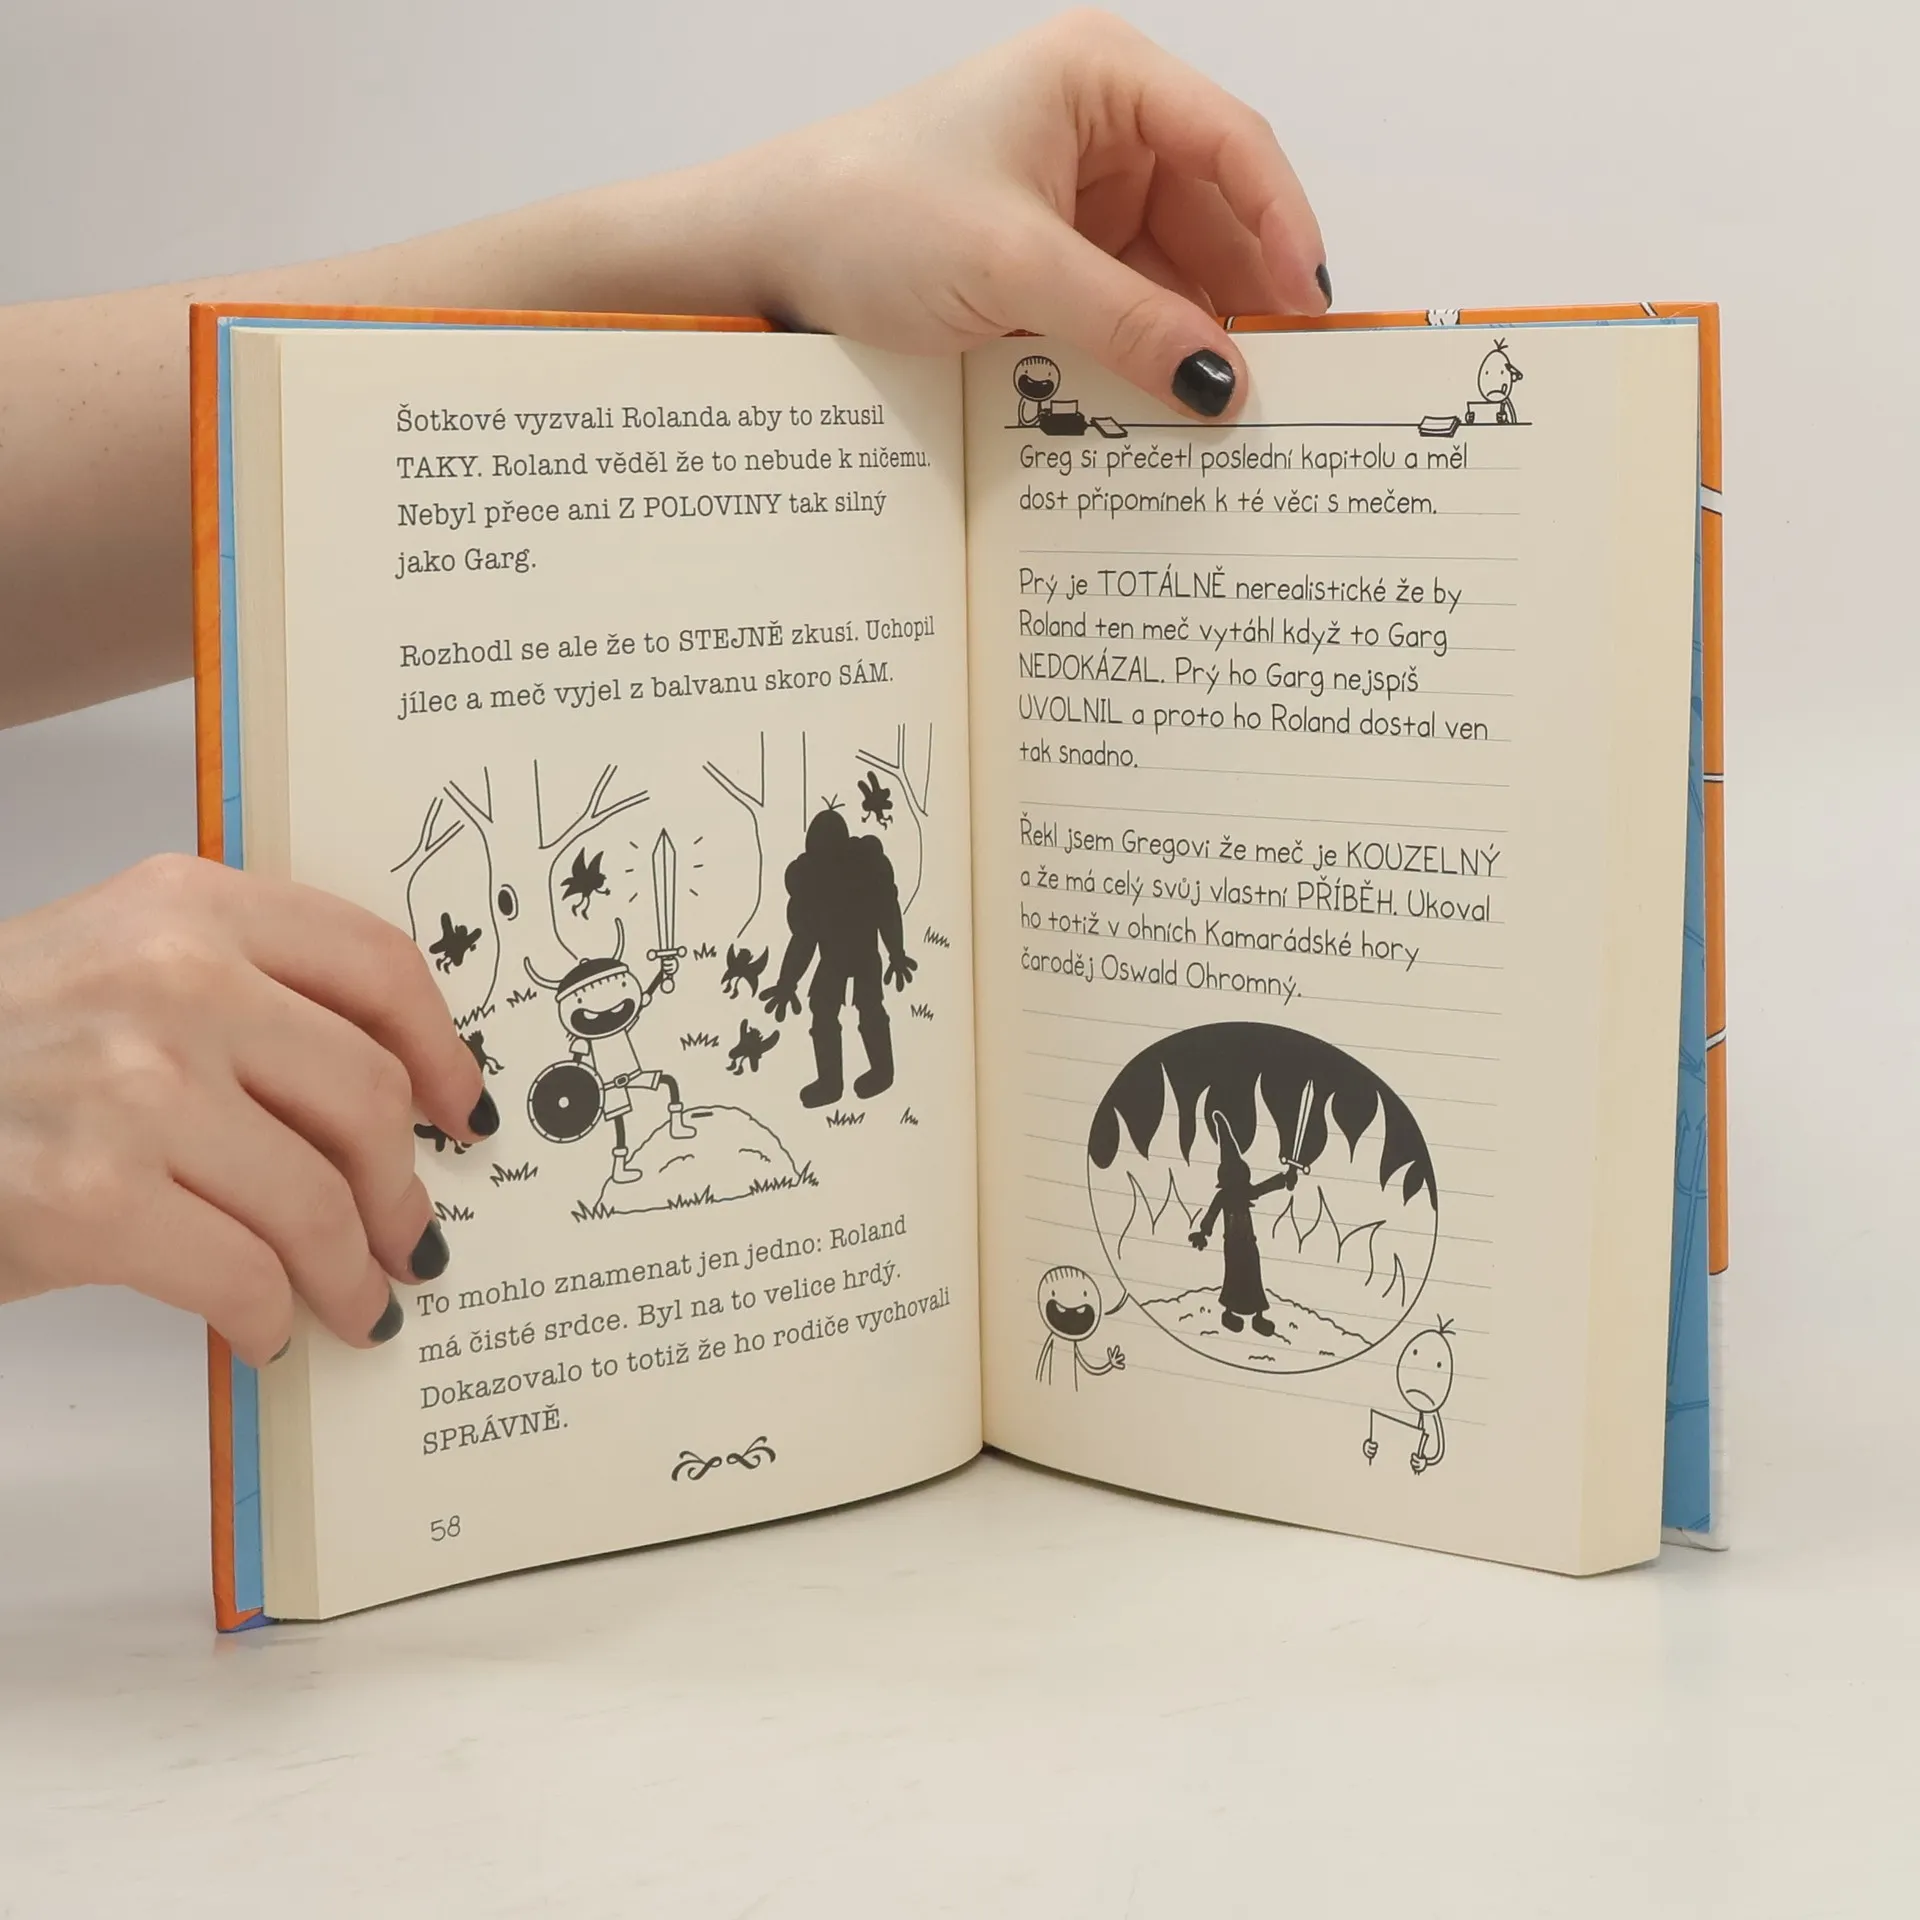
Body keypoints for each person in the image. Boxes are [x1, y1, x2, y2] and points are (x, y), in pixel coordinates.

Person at [0, 11, 1330, 1368]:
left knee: (851, 1026)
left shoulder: (817, 868)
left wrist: (764, 230)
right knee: (855, 1028)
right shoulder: (809, 877)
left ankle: (851, 1074)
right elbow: (837, 928)